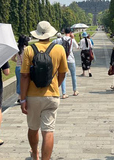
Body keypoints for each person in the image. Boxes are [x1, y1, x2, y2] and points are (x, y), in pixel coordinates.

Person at [20, 21, 68, 160]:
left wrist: (23, 99)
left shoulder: (29, 50)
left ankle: (35, 154)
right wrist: (55, 86)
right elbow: (63, 73)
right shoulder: (59, 49)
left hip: (33, 96)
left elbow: (24, 76)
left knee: (33, 127)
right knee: (48, 131)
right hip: (51, 95)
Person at [54, 27, 80, 98]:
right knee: (73, 75)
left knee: (63, 76)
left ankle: (64, 93)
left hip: (63, 60)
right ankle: (75, 91)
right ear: (70, 32)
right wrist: (73, 38)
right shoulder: (72, 40)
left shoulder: (60, 39)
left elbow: (53, 43)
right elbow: (77, 47)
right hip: (71, 59)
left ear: (64, 32)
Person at [12, 34, 29, 104]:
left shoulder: (17, 48)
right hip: (25, 67)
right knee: (26, 82)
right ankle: (25, 96)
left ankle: (19, 97)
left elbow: (12, 58)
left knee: (19, 82)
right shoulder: (27, 48)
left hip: (18, 67)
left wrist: (17, 61)